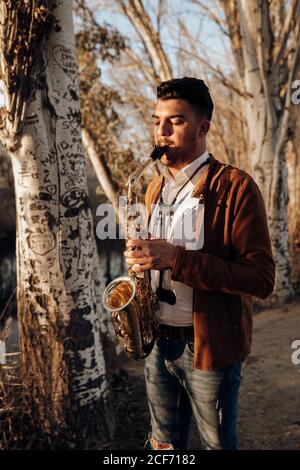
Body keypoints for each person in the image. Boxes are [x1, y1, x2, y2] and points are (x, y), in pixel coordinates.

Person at [124, 77, 275, 450]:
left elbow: (261, 279)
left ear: (203, 127)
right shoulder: (154, 188)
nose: (161, 131)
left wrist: (176, 259)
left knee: (217, 446)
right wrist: (141, 262)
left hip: (209, 348)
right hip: (157, 344)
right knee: (164, 447)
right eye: (156, 120)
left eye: (174, 121)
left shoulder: (237, 187)